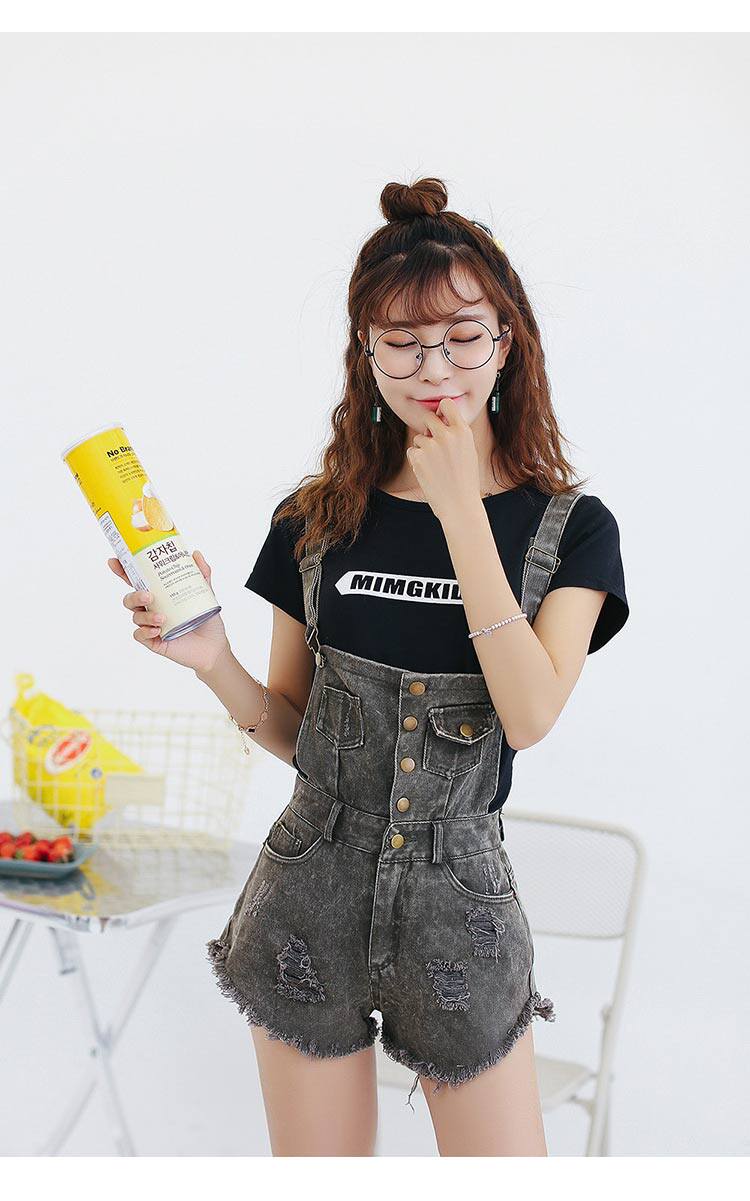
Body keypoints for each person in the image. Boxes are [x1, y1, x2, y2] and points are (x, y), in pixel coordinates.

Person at [108, 176, 629, 1156]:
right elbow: (298, 730)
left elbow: (529, 714)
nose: (435, 366)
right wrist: (213, 661)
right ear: (367, 351)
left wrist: (461, 510)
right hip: (308, 891)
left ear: (507, 341)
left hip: (459, 912)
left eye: (462, 335)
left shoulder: (572, 530)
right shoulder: (316, 519)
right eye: (403, 341)